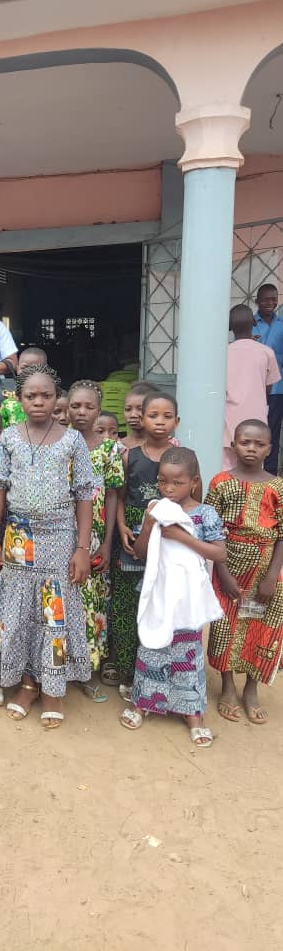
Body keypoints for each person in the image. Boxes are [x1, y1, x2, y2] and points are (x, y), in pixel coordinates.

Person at [0, 364, 94, 728]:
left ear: (56, 398)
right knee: (20, 612)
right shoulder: (9, 438)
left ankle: (53, 690)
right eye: (30, 395)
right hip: (18, 536)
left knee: (53, 612)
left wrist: (82, 548)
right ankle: (29, 683)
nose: (38, 402)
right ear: (19, 399)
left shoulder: (72, 441)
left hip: (59, 537)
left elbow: (84, 495)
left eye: (46, 395)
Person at [120, 447, 225, 746]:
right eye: (163, 481)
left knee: (186, 655)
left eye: (177, 483)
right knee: (152, 647)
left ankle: (193, 712)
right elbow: (140, 552)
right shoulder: (156, 509)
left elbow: (219, 553)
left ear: (194, 482)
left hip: (188, 599)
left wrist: (182, 537)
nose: (168, 488)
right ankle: (142, 703)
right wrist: (149, 524)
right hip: (159, 594)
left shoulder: (204, 514)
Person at [206, 419, 283, 724]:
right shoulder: (220, 482)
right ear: (233, 445)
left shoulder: (278, 487)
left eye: (259, 444)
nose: (251, 448)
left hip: (265, 570)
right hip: (228, 566)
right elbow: (210, 530)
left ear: (269, 449)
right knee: (225, 625)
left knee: (259, 625)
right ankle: (227, 685)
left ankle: (251, 688)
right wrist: (222, 573)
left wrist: (271, 576)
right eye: (245, 442)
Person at [112, 392, 179, 691]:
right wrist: (122, 526)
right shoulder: (129, 456)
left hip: (168, 536)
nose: (160, 422)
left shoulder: (183, 457)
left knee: (160, 604)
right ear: (142, 418)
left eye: (167, 416)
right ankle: (127, 670)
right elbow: (120, 497)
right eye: (153, 415)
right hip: (132, 536)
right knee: (127, 603)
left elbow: (193, 501)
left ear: (177, 422)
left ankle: (155, 670)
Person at [67, 380, 124, 699]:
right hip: (63, 532)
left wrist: (106, 542)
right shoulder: (60, 443)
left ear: (98, 410)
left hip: (97, 533)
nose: (82, 412)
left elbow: (113, 493)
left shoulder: (109, 449)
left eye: (89, 407)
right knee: (65, 596)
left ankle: (86, 667)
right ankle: (60, 663)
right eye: (75, 406)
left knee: (93, 601)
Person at [224, 305, 280, 470]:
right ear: (254, 322)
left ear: (230, 327)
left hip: (229, 417)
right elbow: (269, 387)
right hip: (257, 418)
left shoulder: (223, 353)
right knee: (255, 464)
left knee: (227, 466)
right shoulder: (266, 352)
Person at [252, 283, 283, 473]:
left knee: (273, 431)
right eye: (265, 300)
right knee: (252, 430)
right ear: (257, 301)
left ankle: (269, 474)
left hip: (277, 389)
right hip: (254, 388)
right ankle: (251, 470)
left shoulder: (282, 325)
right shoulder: (249, 324)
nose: (270, 303)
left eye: (273, 299)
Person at [0, 347, 48, 428]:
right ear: (17, 369)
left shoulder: (53, 402)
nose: (28, 372)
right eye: (24, 368)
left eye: (34, 368)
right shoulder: (8, 404)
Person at [122, 381, 160, 451]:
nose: (133, 415)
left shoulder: (169, 445)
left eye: (140, 409)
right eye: (128, 409)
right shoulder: (115, 447)